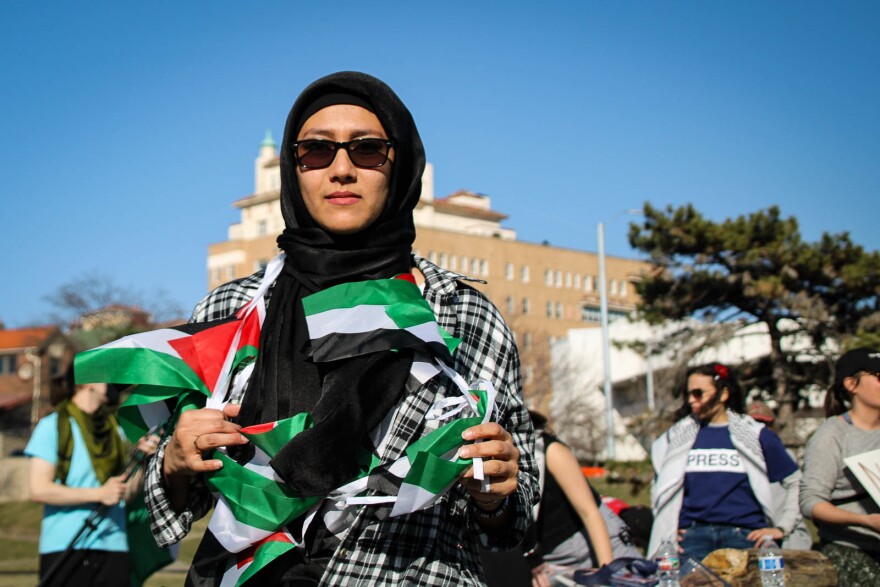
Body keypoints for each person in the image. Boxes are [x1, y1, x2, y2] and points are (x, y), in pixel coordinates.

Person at [143, 71, 537, 585]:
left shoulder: (461, 312)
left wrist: (498, 493)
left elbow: (513, 520)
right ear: (293, 167)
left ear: (401, 167)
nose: (342, 169)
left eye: (368, 150)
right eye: (316, 151)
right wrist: (175, 459)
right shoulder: (236, 309)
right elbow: (170, 504)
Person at [648, 362, 802, 562]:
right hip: (692, 539)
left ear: (723, 394)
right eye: (688, 394)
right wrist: (667, 526)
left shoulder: (755, 435)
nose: (691, 400)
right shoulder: (675, 438)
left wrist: (783, 528)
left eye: (698, 393)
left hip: (745, 537)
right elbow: (658, 485)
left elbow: (796, 482)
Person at [25, 367, 157, 586]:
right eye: (108, 377)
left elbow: (123, 494)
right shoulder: (51, 426)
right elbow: (38, 489)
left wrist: (144, 463)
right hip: (65, 545)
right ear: (88, 382)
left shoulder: (116, 431)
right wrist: (98, 493)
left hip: (114, 545)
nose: (116, 385)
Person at [525, 411, 641, 586]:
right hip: (559, 561)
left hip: (603, 549)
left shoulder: (550, 451)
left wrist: (606, 574)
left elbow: (591, 514)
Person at [800, 347, 880, 584]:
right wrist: (867, 521)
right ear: (851, 384)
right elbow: (810, 502)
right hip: (851, 555)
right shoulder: (832, 435)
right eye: (879, 377)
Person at [746, 401, 812, 550]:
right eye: (754, 423)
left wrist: (784, 527)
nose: (760, 428)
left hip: (787, 537)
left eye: (765, 424)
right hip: (753, 536)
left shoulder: (785, 456)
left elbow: (797, 487)